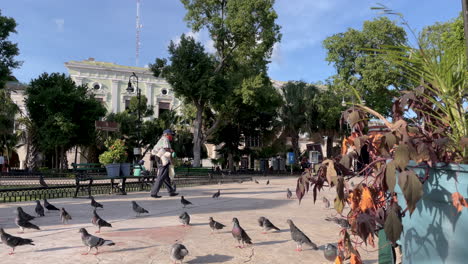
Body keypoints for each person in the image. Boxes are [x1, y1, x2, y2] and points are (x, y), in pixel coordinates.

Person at [150, 129, 178, 198]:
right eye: (171, 134)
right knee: (161, 176)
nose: (172, 136)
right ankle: (154, 193)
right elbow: (166, 149)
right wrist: (171, 151)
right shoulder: (165, 139)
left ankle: (171, 192)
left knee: (165, 177)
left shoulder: (161, 139)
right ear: (167, 134)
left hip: (159, 157)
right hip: (161, 158)